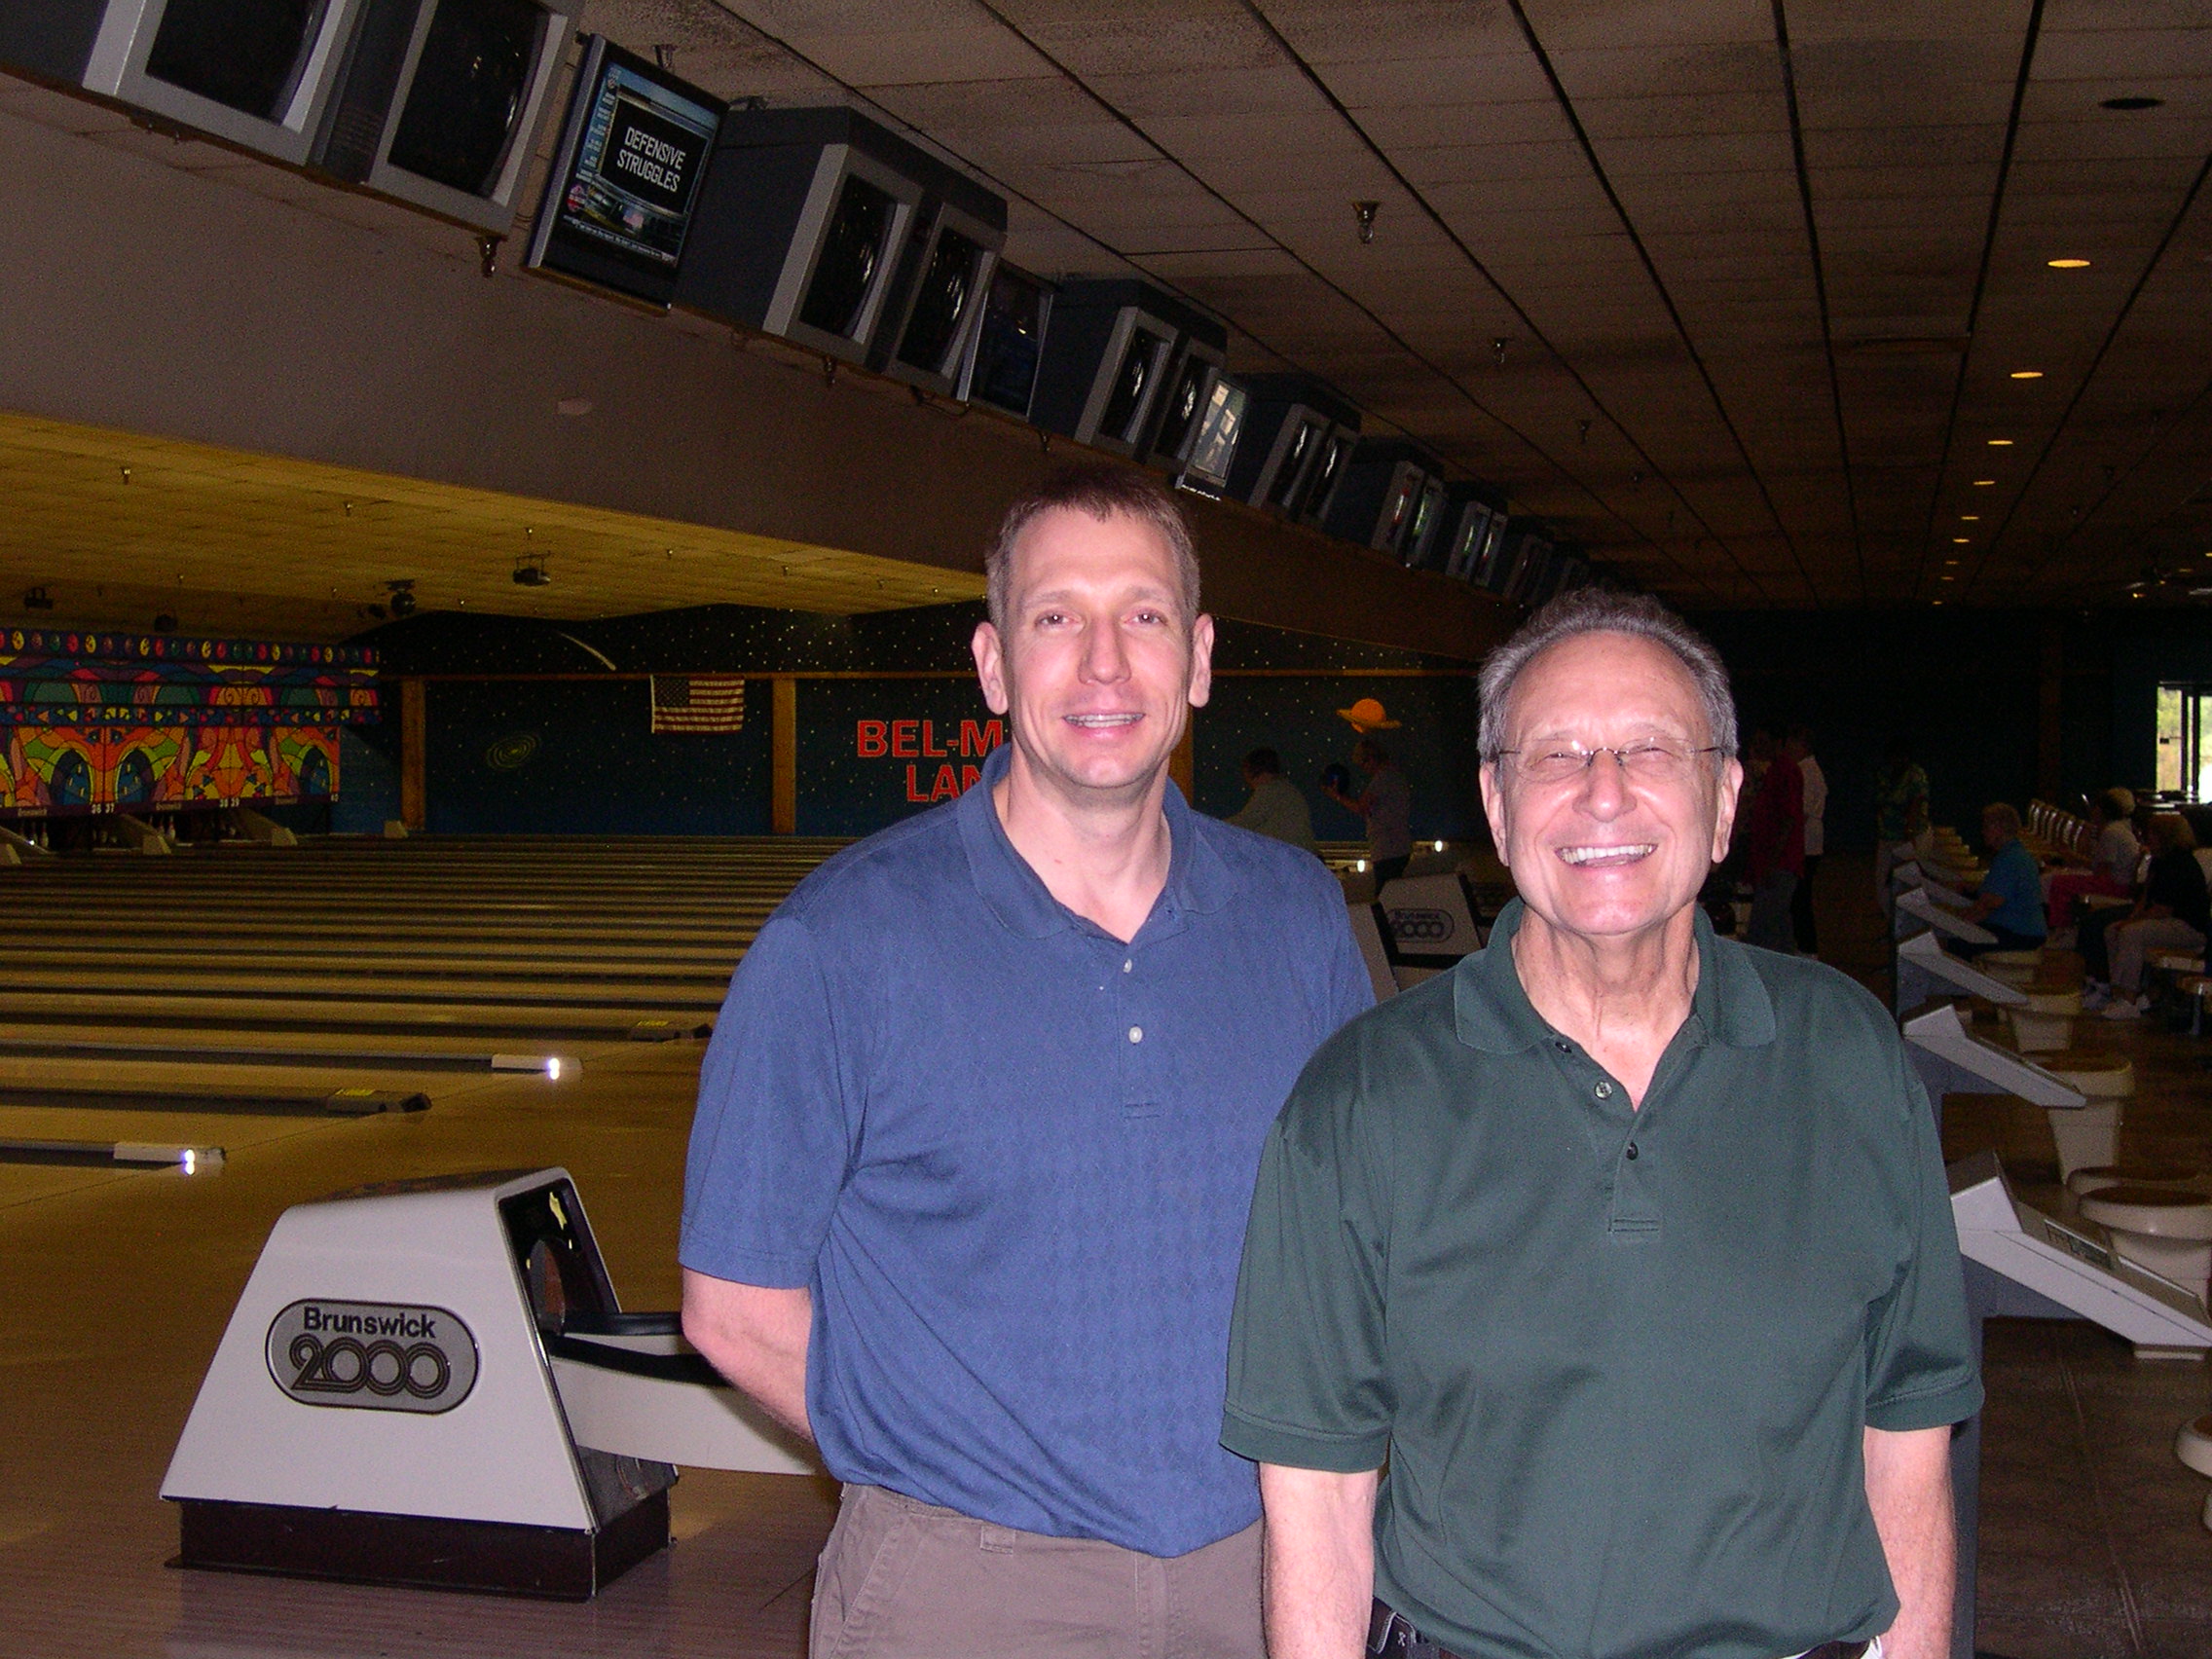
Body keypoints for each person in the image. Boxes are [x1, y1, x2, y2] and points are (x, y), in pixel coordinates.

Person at [680, 463, 1372, 1659]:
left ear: (1198, 658)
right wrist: (948, 1461)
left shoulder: (1295, 915)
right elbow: (732, 1309)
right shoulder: (837, 942)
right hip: (968, 1588)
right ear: (994, 665)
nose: (1103, 665)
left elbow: (1365, 1234)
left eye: (1142, 617)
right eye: (1056, 619)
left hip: (1265, 1566)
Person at [1223, 588, 1979, 1659]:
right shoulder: (1358, 1101)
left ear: (1723, 801)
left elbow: (1907, 1432)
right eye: (1556, 755)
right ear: (1496, 803)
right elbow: (1316, 1496)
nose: (1604, 796)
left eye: (1648, 752)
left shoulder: (1847, 1058)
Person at [2085, 812, 2208, 1020]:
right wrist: (2132, 916)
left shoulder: (2180, 863)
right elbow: (2146, 898)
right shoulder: (2160, 860)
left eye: (2151, 832)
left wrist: (2132, 922)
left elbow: (2163, 909)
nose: (2146, 836)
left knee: (2133, 933)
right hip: (2168, 921)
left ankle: (2129, 997)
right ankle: (2117, 993)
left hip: (2189, 928)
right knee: (2112, 929)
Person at [1325, 709, 1413, 886]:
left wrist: (1337, 796)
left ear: (1371, 759)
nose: (1364, 768)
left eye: (1363, 763)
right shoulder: (1394, 776)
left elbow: (1361, 807)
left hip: (1388, 849)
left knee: (1385, 896)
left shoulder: (1383, 779)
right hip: (1398, 846)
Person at [1740, 723, 1804, 953]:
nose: (1758, 748)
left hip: (1780, 865)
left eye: (1763, 742)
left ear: (1777, 743)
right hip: (1772, 863)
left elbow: (1789, 819)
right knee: (1778, 926)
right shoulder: (1774, 770)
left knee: (1762, 928)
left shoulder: (1786, 771)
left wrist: (1772, 863)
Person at [1957, 802, 2047, 959]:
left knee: (1956, 945)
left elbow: (1990, 903)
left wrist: (1958, 922)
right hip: (2021, 931)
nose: (1983, 832)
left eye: (1986, 827)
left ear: (1999, 828)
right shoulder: (2013, 853)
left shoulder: (2009, 858)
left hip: (2020, 934)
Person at [2044, 789, 2137, 935]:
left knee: (2059, 883)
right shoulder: (2116, 829)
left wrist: (2074, 862)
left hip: (2117, 885)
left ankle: (2063, 930)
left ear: (2101, 811)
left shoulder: (2112, 832)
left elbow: (2103, 871)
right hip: (2117, 882)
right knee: (2062, 881)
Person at [1873, 738, 1933, 919]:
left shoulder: (1916, 775)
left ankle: (1910, 927)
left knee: (1908, 885)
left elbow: (1916, 805)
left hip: (1911, 837)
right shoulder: (1884, 773)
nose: (1897, 761)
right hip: (1888, 836)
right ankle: (1893, 926)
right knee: (1882, 883)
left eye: (1901, 757)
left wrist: (1910, 838)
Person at [1227, 746, 1316, 852]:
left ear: (1253, 772)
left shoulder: (1270, 791)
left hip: (1287, 857)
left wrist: (1214, 827)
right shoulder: (1288, 790)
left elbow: (1246, 820)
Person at [1788, 722, 1827, 954]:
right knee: (1799, 900)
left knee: (1801, 901)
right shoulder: (1808, 769)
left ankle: (1808, 950)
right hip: (1809, 843)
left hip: (1807, 845)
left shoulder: (1806, 771)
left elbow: (1800, 812)